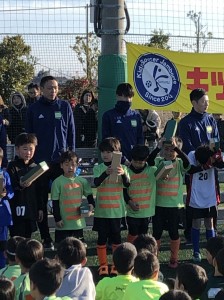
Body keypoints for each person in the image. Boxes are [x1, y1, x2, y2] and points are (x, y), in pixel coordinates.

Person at [26, 75, 76, 250]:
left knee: (64, 198)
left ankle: (65, 235)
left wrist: (70, 156)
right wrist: (31, 159)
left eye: (55, 87)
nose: (53, 90)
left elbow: (71, 131)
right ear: (41, 89)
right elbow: (29, 136)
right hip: (41, 164)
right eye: (49, 87)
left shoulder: (65, 106)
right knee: (40, 201)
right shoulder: (33, 109)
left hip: (60, 162)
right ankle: (46, 238)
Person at [178, 88, 219, 243]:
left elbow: (215, 141)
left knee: (211, 207)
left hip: (210, 172)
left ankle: (212, 238)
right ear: (194, 102)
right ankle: (190, 235)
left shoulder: (211, 120)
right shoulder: (185, 122)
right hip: (194, 171)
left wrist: (213, 158)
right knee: (193, 205)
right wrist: (201, 159)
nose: (206, 105)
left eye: (207, 102)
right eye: (203, 102)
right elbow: (187, 148)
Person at [93, 137, 130, 277]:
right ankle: (103, 265)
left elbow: (127, 184)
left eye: (109, 152)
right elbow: (96, 183)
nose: (105, 154)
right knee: (101, 239)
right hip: (102, 212)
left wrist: (123, 175)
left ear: (117, 153)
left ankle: (115, 265)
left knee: (116, 240)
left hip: (117, 212)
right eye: (103, 151)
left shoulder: (124, 168)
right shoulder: (98, 167)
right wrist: (105, 173)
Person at [152, 137, 190, 268]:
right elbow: (149, 161)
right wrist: (157, 147)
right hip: (158, 205)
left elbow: (187, 161)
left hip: (175, 206)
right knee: (156, 233)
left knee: (174, 233)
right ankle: (154, 259)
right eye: (166, 149)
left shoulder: (179, 163)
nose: (169, 152)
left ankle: (174, 259)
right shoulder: (158, 161)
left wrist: (177, 149)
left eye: (172, 150)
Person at [187, 144, 224, 262]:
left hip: (209, 196)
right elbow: (191, 169)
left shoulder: (212, 155)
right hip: (196, 195)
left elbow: (221, 165)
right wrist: (206, 165)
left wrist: (217, 158)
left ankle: (211, 252)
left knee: (210, 224)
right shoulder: (192, 155)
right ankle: (196, 251)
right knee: (196, 223)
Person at [51, 150, 94, 245]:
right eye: (66, 164)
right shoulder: (57, 182)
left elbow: (90, 196)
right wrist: (57, 219)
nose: (70, 167)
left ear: (77, 165)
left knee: (78, 250)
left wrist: (91, 206)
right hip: (63, 224)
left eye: (73, 164)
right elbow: (55, 203)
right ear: (61, 165)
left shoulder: (82, 181)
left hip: (78, 224)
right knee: (62, 250)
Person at [7, 133, 43, 238]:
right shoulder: (12, 166)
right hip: (17, 208)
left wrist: (40, 208)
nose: (28, 152)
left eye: (31, 149)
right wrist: (20, 185)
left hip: (31, 208)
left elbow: (39, 190)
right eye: (25, 149)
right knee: (17, 238)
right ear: (17, 149)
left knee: (28, 237)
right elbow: (10, 187)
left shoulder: (36, 167)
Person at [102, 83, 144, 165]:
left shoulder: (136, 115)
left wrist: (137, 158)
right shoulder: (108, 115)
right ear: (117, 96)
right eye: (123, 96)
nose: (127, 99)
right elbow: (107, 141)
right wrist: (123, 160)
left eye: (129, 97)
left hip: (134, 162)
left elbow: (140, 138)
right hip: (116, 162)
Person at [125, 144, 158, 243]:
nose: (137, 165)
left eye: (141, 162)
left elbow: (162, 170)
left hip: (146, 212)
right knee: (133, 233)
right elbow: (123, 191)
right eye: (135, 162)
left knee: (143, 235)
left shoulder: (152, 170)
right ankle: (131, 253)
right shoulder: (126, 171)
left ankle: (141, 254)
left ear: (146, 160)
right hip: (132, 212)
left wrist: (158, 148)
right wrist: (130, 203)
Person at [0, 147, 14, 268]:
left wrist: (6, 194)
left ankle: (2, 270)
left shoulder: (5, 174)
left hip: (3, 215)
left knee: (2, 246)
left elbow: (11, 191)